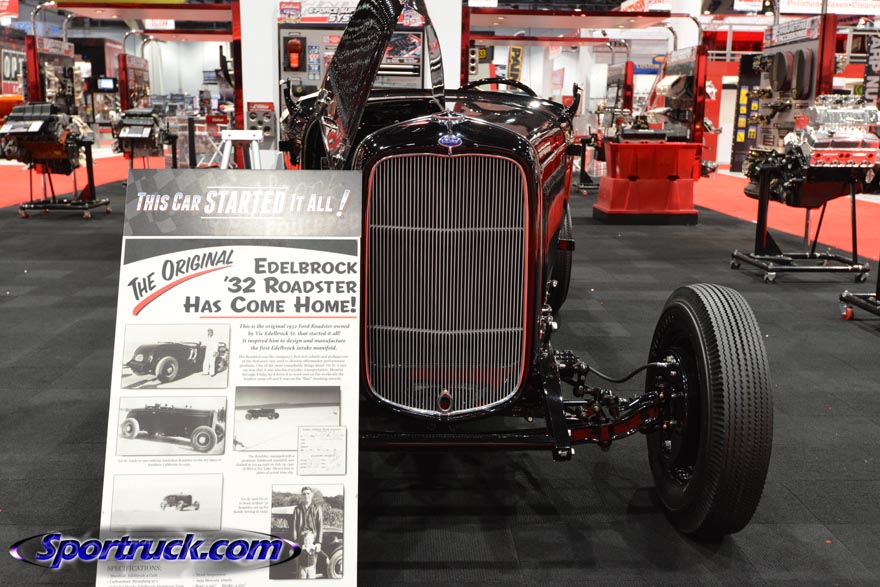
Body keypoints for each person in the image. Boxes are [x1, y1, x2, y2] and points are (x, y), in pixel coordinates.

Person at [293, 487, 323, 564]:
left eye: (308, 493)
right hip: (300, 538)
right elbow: (294, 526)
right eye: (304, 494)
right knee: (296, 559)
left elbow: (320, 525)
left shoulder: (317, 508)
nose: (306, 496)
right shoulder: (297, 509)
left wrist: (319, 542)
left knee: (312, 561)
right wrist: (295, 542)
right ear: (301, 495)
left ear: (312, 495)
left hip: (313, 539)